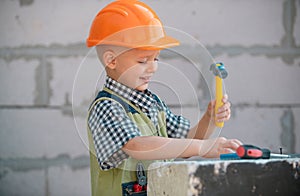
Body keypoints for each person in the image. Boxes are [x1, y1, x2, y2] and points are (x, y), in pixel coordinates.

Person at [86, 0, 242, 195]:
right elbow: (135, 145)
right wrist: (202, 147)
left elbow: (188, 140)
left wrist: (209, 119)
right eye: (143, 60)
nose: (153, 67)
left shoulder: (153, 104)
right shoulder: (106, 107)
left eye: (156, 59)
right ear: (112, 60)